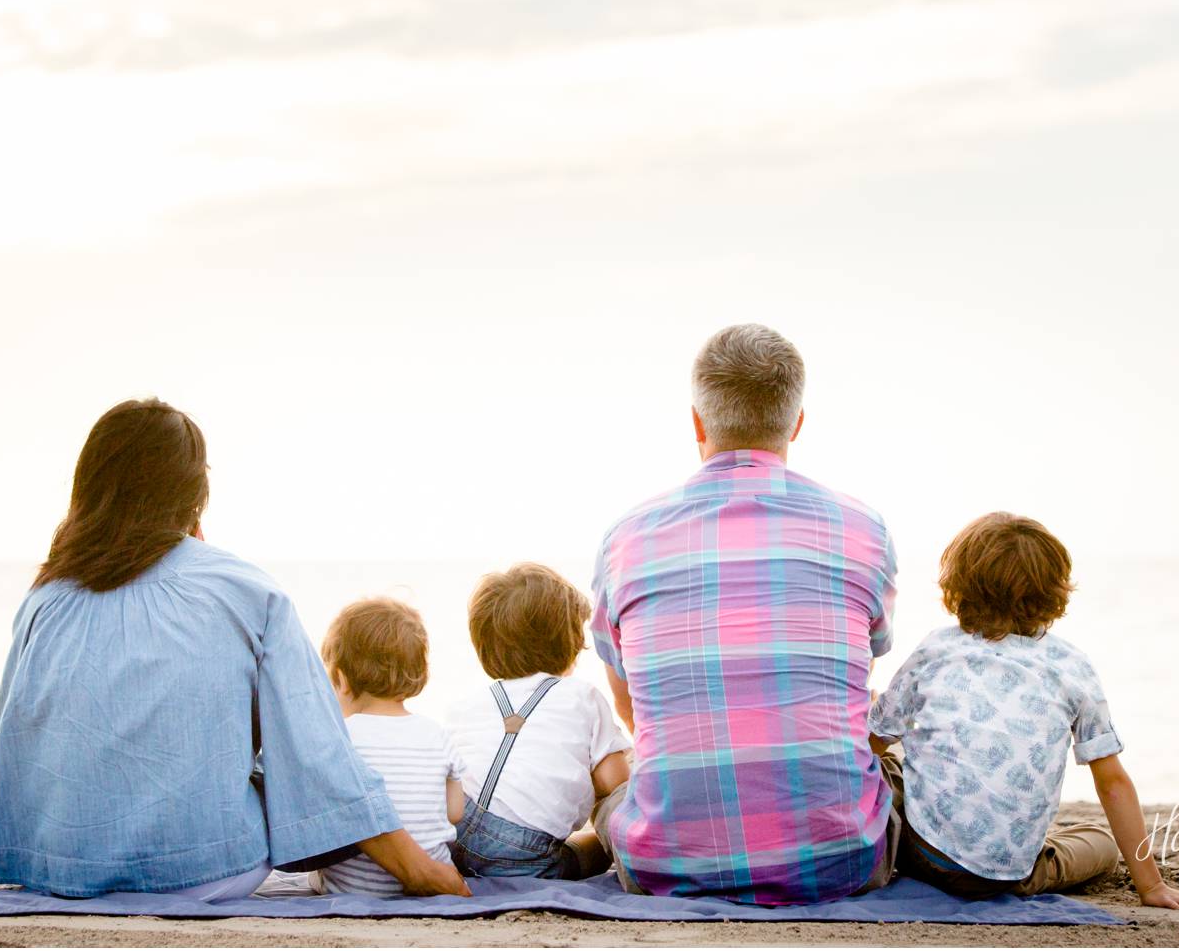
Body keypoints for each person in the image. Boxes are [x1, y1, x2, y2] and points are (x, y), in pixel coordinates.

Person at [0, 398, 469, 900]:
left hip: (55, 869)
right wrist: (416, 868)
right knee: (281, 752)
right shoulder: (247, 590)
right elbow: (316, 754)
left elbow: (19, 734)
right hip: (204, 874)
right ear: (194, 491)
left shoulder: (45, 596)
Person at [590, 324, 900, 905]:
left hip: (664, 864)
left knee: (610, 796)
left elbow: (627, 697)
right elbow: (864, 669)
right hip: (840, 862)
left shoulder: (626, 539)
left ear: (698, 423)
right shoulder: (863, 529)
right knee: (891, 768)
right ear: (797, 423)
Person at [868, 512, 1179, 910]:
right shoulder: (1072, 666)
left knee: (888, 764)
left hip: (918, 855)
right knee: (1100, 843)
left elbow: (874, 741)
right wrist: (1151, 887)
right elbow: (1113, 783)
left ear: (958, 584)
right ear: (1055, 591)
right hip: (1008, 877)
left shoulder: (937, 648)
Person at [447, 563, 631, 879]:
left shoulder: (465, 705)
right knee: (596, 847)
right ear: (570, 641)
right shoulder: (582, 696)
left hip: (449, 835)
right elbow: (614, 782)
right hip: (522, 854)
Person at [316, 598, 469, 895]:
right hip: (436, 873)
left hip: (355, 888)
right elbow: (454, 812)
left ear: (340, 679)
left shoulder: (339, 737)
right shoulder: (436, 734)